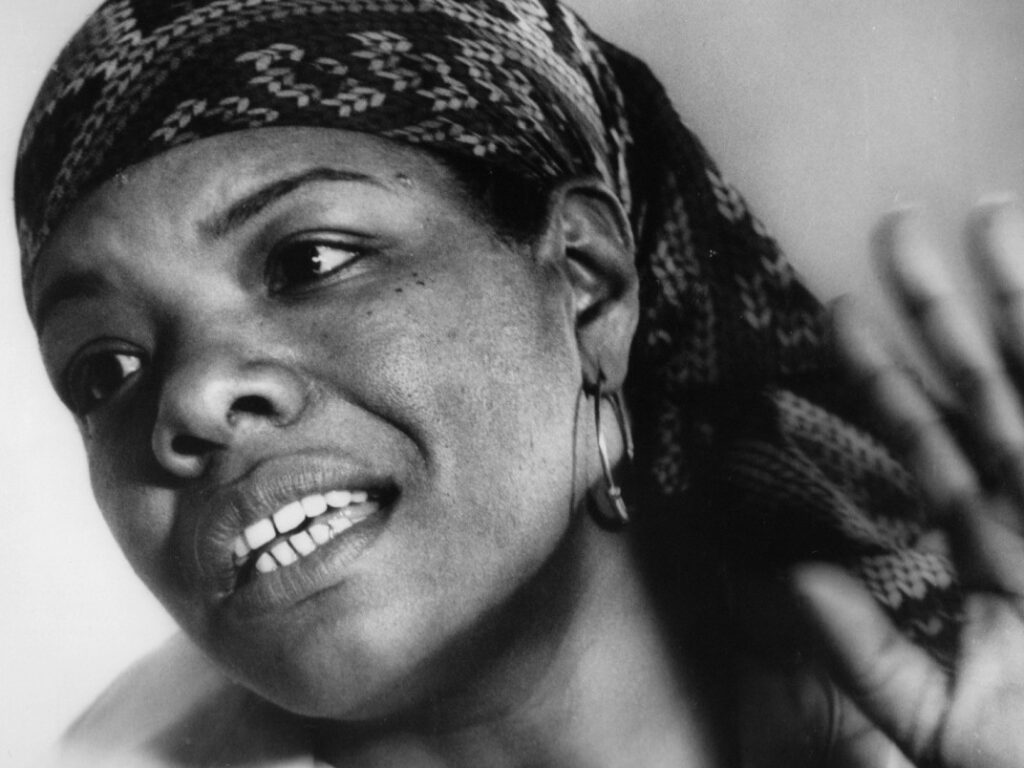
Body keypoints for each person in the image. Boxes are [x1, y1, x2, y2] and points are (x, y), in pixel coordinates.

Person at [14, 0, 1024, 765]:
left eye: (309, 261)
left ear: (586, 285)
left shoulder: (952, 712)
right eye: (103, 369)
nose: (188, 401)